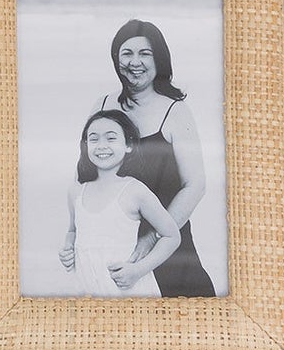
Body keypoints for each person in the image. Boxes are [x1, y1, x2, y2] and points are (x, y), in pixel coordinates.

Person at [94, 19, 215, 296]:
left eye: (145, 53)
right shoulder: (102, 106)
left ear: (159, 59)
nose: (135, 62)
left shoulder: (175, 111)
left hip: (169, 246)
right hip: (113, 247)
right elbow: (86, 176)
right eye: (127, 53)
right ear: (116, 59)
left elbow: (195, 185)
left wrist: (152, 237)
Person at [58, 110, 180, 297]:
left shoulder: (135, 190)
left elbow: (171, 236)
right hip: (87, 289)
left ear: (128, 145)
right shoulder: (76, 191)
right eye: (94, 139)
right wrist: (68, 248)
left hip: (128, 290)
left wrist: (138, 270)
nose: (102, 146)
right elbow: (73, 230)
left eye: (111, 138)